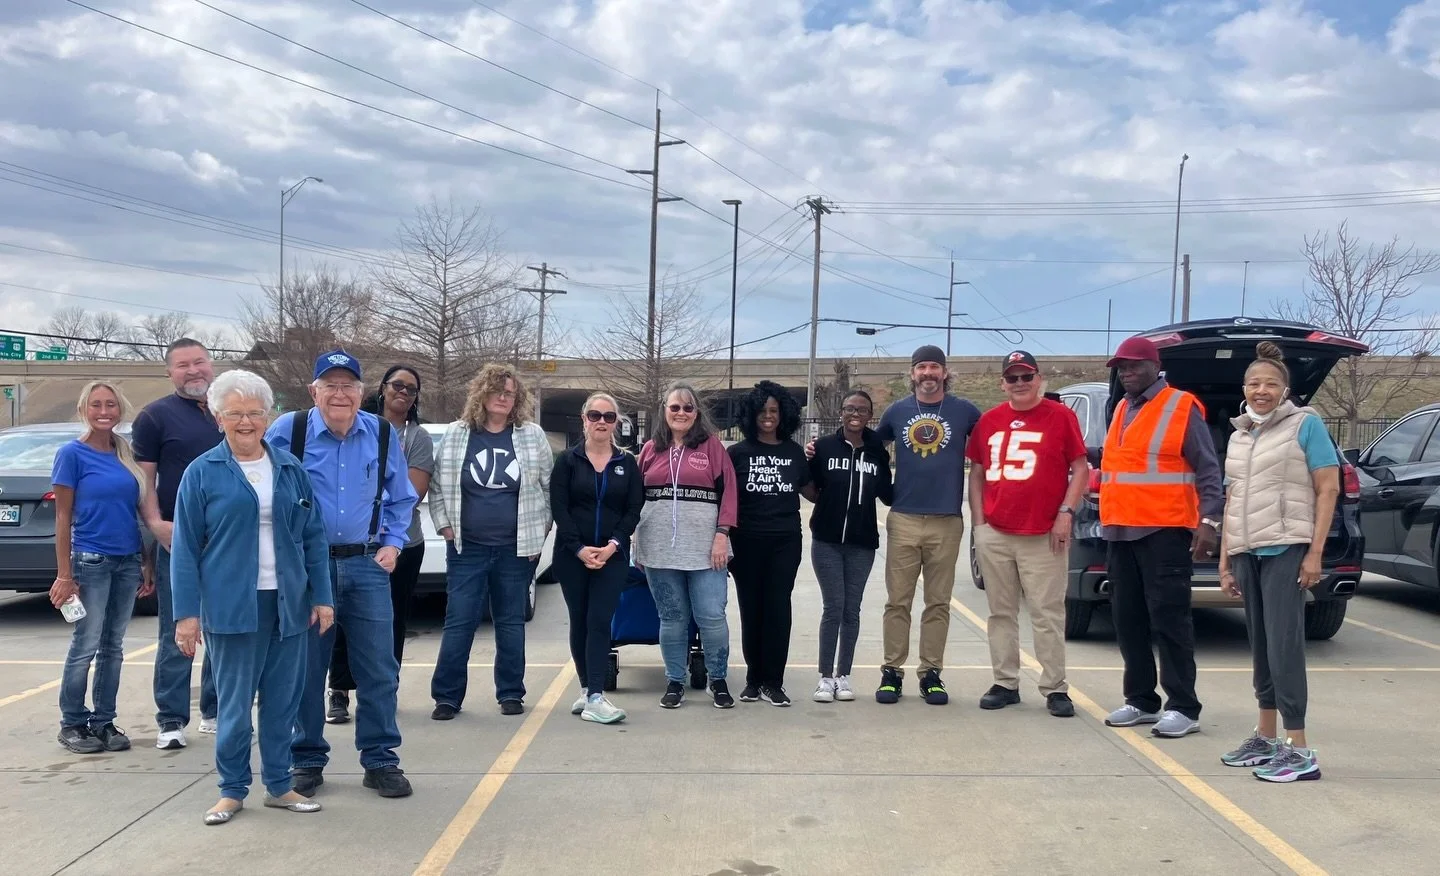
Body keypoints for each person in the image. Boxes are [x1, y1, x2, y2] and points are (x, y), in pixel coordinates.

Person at [170, 370, 335, 825]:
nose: (246, 422)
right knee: (236, 706)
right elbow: (185, 547)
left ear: (269, 416)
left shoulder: (289, 467)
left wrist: (322, 596)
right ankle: (232, 789)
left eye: (255, 413)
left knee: (284, 702)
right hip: (231, 605)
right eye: (236, 414)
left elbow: (314, 537)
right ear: (219, 417)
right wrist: (186, 615)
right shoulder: (202, 472)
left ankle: (280, 786)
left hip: (289, 604)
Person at [265, 350, 418, 798]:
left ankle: (380, 759)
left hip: (367, 564)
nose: (339, 393)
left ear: (360, 392)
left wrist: (392, 543)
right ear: (314, 392)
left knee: (378, 669)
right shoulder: (287, 431)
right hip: (308, 568)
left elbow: (402, 497)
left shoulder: (382, 434)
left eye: (347, 385)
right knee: (306, 670)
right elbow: (263, 493)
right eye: (329, 385)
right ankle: (307, 758)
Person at [1218, 342, 1338, 782]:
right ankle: (1266, 736)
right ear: (1244, 388)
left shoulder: (1305, 425)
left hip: (1287, 546)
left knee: (1285, 647)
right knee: (1262, 646)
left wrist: (1315, 552)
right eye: (1254, 383)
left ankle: (1300, 750)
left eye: (1270, 383)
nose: (1261, 390)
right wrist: (1227, 559)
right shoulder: (1240, 433)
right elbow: (1233, 499)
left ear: (1285, 389)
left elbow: (1328, 489)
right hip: (1249, 551)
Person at [1099, 335, 1224, 739]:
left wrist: (1210, 521)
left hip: (1165, 530)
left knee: (1170, 619)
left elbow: (1208, 469)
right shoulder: (1121, 407)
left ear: (1155, 367)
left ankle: (1184, 707)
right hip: (1120, 530)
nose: (1127, 372)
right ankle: (1141, 700)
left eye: (1134, 365)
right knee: (1128, 619)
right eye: (1122, 367)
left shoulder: (1180, 406)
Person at [965, 351, 1088, 718]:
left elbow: (1080, 468)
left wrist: (1066, 512)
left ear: (1039, 378)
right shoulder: (989, 421)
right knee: (1000, 612)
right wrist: (979, 522)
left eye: (1026, 376)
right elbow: (976, 471)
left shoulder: (1061, 416)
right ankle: (1005, 682)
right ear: (1003, 382)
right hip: (997, 532)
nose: (1020, 383)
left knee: (1047, 612)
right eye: (1012, 378)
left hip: (1043, 532)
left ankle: (1054, 686)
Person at [428, 364, 551, 720]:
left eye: (509, 392)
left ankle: (511, 693)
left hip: (516, 549)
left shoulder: (532, 436)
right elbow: (437, 487)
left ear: (517, 399)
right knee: (459, 621)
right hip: (468, 548)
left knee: (510, 622)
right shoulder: (456, 434)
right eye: (496, 390)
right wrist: (445, 527)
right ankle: (447, 697)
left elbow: (547, 488)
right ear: (481, 393)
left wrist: (539, 531)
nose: (502, 397)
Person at [869, 345, 981, 705]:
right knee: (897, 601)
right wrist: (819, 450)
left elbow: (996, 444)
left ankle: (931, 673)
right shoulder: (897, 411)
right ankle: (892, 672)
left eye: (935, 366)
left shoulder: (964, 412)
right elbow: (867, 447)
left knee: (938, 603)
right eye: (922, 367)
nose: (928, 373)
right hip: (903, 517)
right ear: (913, 373)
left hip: (946, 521)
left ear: (945, 373)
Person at [326, 365, 434, 726]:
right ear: (381, 389)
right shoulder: (354, 426)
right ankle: (338, 690)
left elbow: (412, 491)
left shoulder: (415, 437)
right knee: (338, 623)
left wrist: (380, 527)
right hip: (344, 546)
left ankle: (385, 691)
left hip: (398, 543)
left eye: (411, 389)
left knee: (389, 624)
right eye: (397, 385)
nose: (403, 392)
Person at [49, 381, 152, 755]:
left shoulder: (125, 454)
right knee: (85, 644)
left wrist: (144, 559)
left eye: (110, 404)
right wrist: (64, 574)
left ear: (119, 410)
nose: (104, 411)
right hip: (90, 560)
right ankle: (72, 722)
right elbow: (62, 518)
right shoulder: (71, 454)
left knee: (114, 647)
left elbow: (133, 513)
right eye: (96, 405)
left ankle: (104, 721)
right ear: (84, 410)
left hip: (126, 561)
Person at [132, 338, 223, 749]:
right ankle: (170, 720)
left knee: (225, 628)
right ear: (170, 373)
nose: (193, 371)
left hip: (227, 539)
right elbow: (145, 479)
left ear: (211, 365)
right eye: (183, 365)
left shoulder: (226, 409)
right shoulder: (154, 417)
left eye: (199, 362)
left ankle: (216, 710)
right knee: (178, 627)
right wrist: (155, 523)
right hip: (179, 540)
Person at [633, 382, 738, 710]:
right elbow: (634, 500)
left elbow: (729, 494)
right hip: (658, 550)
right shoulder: (650, 450)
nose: (681, 413)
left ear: (697, 413)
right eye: (674, 407)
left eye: (688, 408)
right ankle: (675, 680)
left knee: (711, 616)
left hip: (707, 550)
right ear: (664, 411)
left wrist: (722, 534)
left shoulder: (712, 448)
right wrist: (635, 540)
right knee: (672, 618)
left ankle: (716, 678)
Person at [550, 393, 643, 725]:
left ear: (616, 422)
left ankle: (595, 695)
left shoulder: (626, 463)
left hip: (612, 557)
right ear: (584, 419)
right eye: (594, 415)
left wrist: (613, 545)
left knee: (600, 620)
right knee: (580, 619)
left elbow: (633, 509)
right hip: (571, 555)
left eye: (608, 416)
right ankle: (588, 688)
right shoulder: (567, 461)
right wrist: (578, 548)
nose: (601, 421)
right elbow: (560, 507)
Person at [804, 390, 892, 703]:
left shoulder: (876, 450)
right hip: (826, 541)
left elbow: (887, 495)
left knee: (851, 610)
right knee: (834, 607)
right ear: (841, 412)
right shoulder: (824, 447)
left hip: (862, 544)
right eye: (849, 408)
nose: (854, 413)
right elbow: (809, 485)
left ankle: (844, 676)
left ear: (870, 415)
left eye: (862, 409)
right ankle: (825, 677)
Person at [727, 380, 810, 706]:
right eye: (762, 410)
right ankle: (753, 679)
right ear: (752, 414)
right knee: (751, 610)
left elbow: (812, 490)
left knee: (778, 610)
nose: (768, 416)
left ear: (784, 414)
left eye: (774, 411)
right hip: (745, 542)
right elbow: (723, 499)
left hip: (784, 543)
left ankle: (774, 682)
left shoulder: (793, 452)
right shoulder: (737, 454)